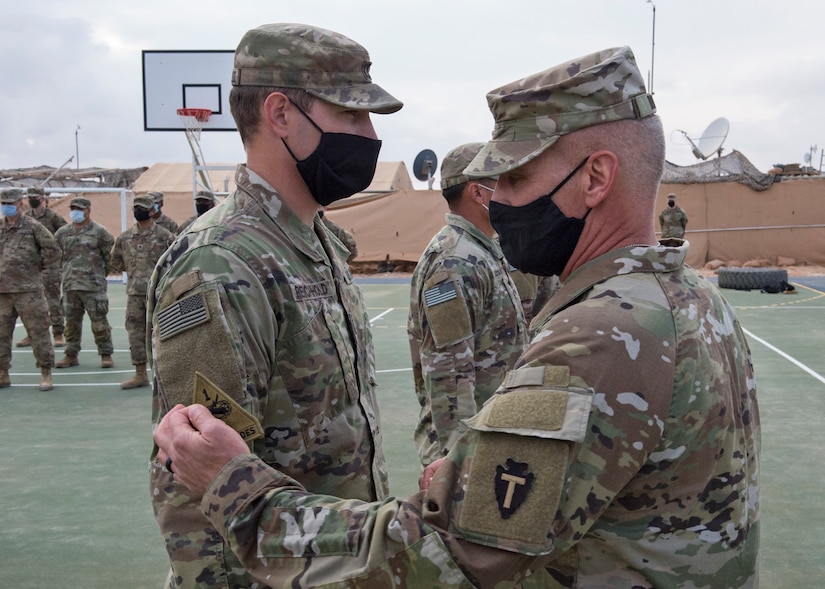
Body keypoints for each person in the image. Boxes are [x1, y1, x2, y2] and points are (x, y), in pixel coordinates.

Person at [154, 46, 760, 589]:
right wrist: (474, 463)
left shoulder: (604, 332)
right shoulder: (691, 298)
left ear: (596, 178)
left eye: (518, 176)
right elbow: (185, 468)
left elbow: (440, 557)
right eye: (352, 115)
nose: (499, 198)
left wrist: (240, 494)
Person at [146, 22, 402, 588]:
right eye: (352, 115)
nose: (368, 134)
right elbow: (195, 483)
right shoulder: (222, 263)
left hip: (330, 563)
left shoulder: (317, 241)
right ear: (281, 114)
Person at [408, 142, 528, 468]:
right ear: (478, 192)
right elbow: (450, 375)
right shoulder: (455, 262)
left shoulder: (480, 250)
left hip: (491, 436)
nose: (512, 195)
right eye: (504, 184)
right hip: (469, 449)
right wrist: (458, 461)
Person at [110, 194, 174, 389]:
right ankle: (140, 374)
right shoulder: (125, 237)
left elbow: (176, 262)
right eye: (136, 207)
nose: (139, 211)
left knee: (166, 332)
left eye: (143, 207)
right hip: (135, 294)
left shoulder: (166, 236)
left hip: (159, 294)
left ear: (152, 210)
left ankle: (168, 374)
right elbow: (116, 262)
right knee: (135, 333)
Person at [0, 188, 58, 391]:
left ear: (20, 205)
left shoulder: (34, 227)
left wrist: (36, 268)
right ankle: (2, 373)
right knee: (1, 335)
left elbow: (52, 250)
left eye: (10, 203)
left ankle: (45, 373)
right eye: (3, 203)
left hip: (28, 291)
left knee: (38, 332)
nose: (6, 207)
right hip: (2, 292)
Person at [54, 197, 115, 369]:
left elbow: (109, 258)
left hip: (93, 286)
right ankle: (70, 354)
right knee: (71, 323)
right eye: (73, 208)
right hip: (70, 286)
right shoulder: (62, 233)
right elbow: (56, 256)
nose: (75, 212)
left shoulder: (100, 232)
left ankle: (106, 354)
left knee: (99, 322)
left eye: (79, 209)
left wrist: (98, 276)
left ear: (88, 211)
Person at [15, 186, 67, 349]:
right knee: (30, 302)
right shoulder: (25, 218)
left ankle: (58, 333)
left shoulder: (53, 217)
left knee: (52, 300)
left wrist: (57, 256)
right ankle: (32, 333)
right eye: (30, 197)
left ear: (43, 198)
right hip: (30, 267)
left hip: (50, 266)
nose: (32, 200)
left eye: (35, 197)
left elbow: (65, 235)